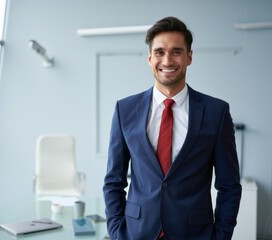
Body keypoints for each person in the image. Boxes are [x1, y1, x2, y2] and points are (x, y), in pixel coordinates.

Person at [103, 16, 242, 240]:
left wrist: (221, 235)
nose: (167, 60)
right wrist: (118, 231)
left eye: (176, 51)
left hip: (195, 233)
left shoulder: (216, 112)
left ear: (189, 57)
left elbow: (229, 186)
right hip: (137, 233)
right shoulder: (125, 110)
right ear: (149, 58)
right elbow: (113, 181)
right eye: (159, 52)